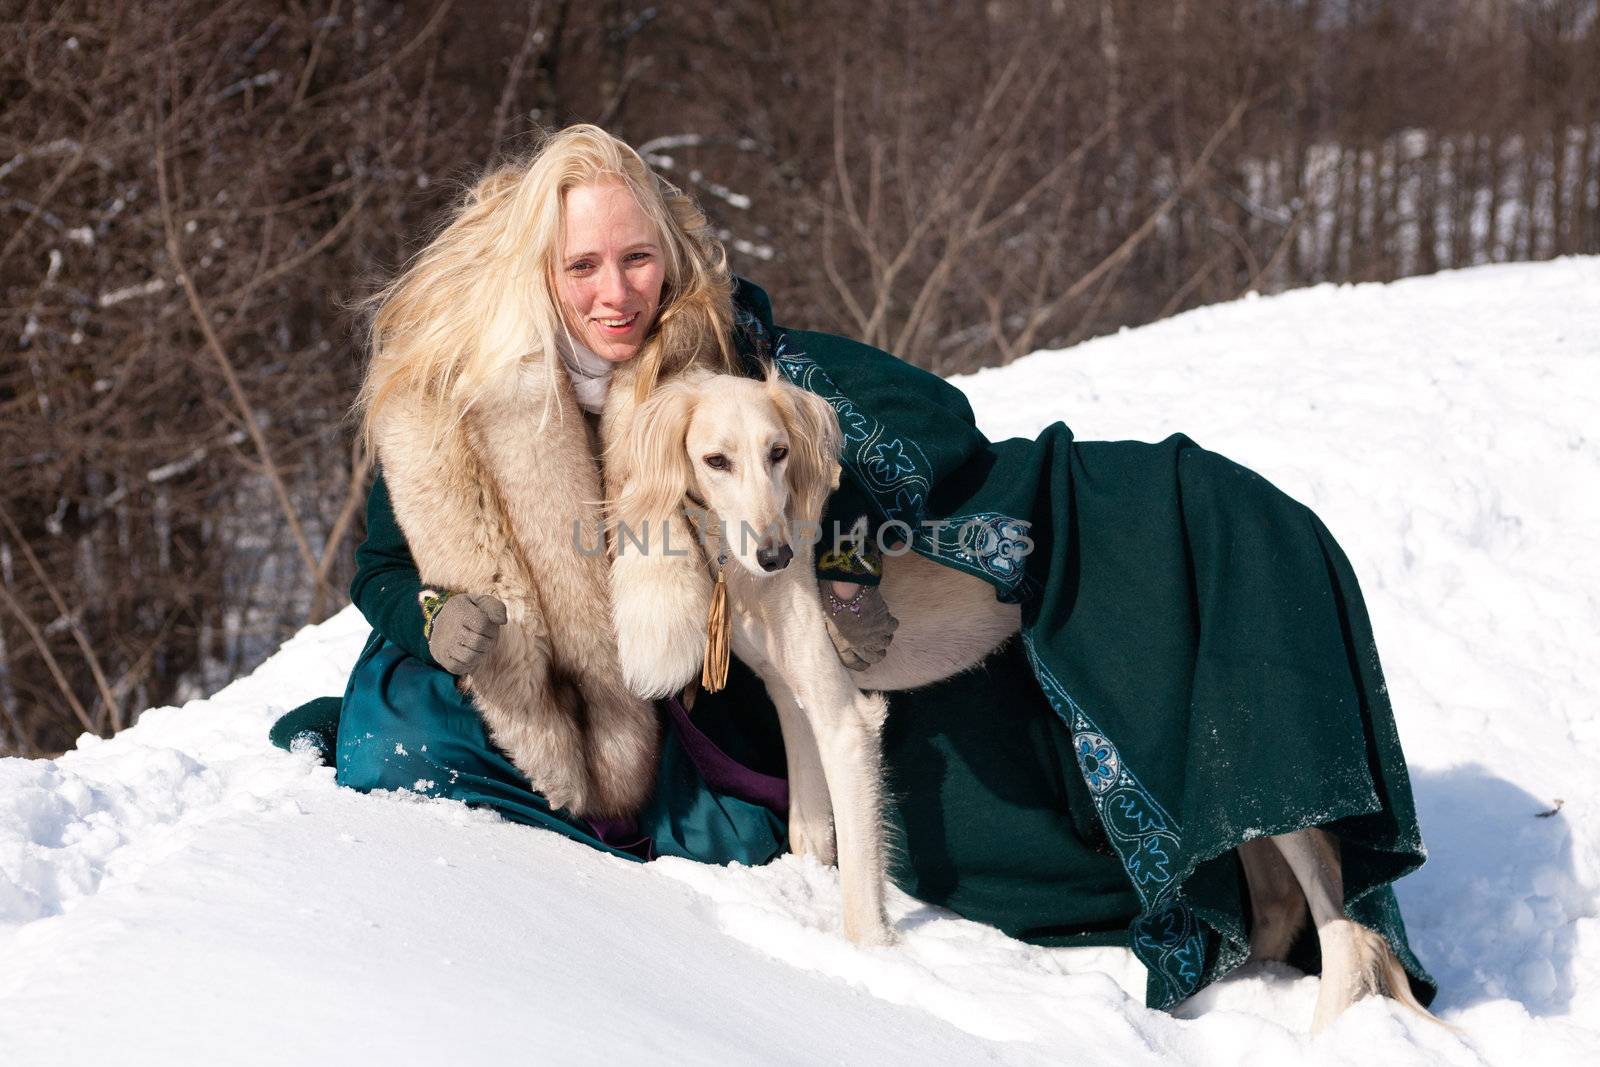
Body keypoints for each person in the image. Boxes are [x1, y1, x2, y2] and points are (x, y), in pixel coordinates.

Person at [271, 125, 1434, 1012]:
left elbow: (848, 447)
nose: (613, 293)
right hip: (515, 670)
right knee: (406, 743)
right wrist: (432, 611)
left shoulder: (719, 351)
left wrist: (842, 559)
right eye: (583, 266)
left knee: (956, 787)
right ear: (541, 269)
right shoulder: (458, 396)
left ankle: (1237, 867)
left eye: (635, 259)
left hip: (694, 688)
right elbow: (382, 561)